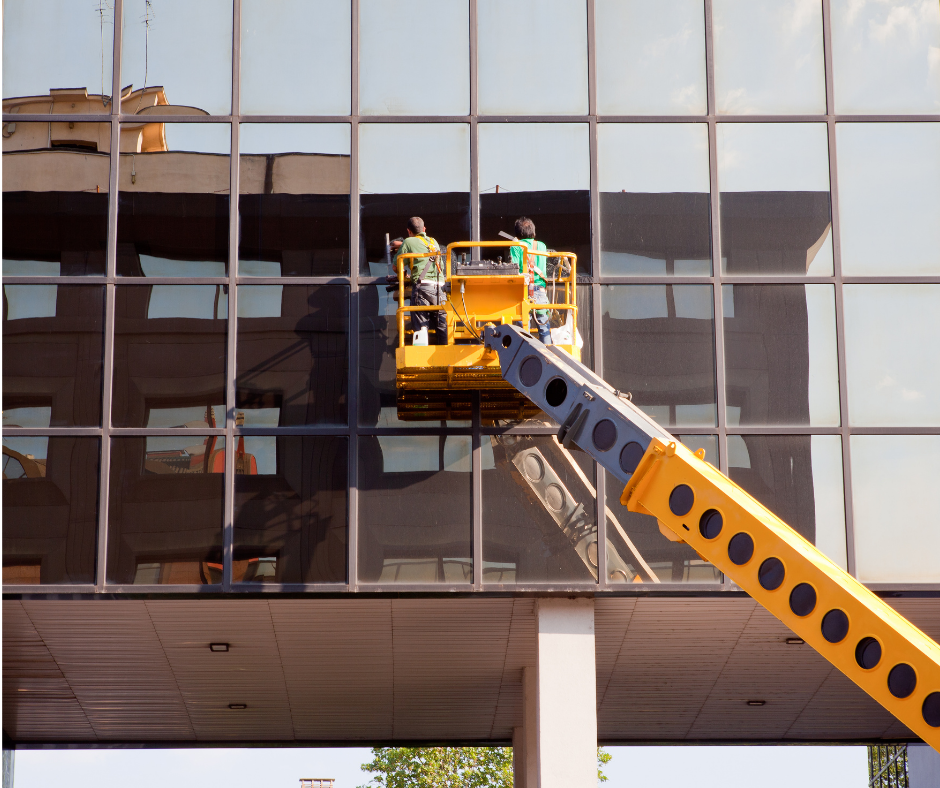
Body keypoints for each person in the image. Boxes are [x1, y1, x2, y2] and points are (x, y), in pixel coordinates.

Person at [391, 216, 448, 346]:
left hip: (422, 288)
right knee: (442, 325)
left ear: (408, 231)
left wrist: (405, 275)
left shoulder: (408, 242)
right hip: (440, 288)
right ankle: (445, 353)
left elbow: (396, 267)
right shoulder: (434, 242)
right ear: (424, 229)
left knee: (422, 326)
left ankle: (421, 357)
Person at [508, 217, 552, 344]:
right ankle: (548, 357)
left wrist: (514, 244)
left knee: (522, 329)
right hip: (540, 290)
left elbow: (514, 268)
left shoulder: (516, 246)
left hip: (524, 290)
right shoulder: (542, 246)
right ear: (533, 231)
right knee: (544, 328)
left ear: (517, 233)